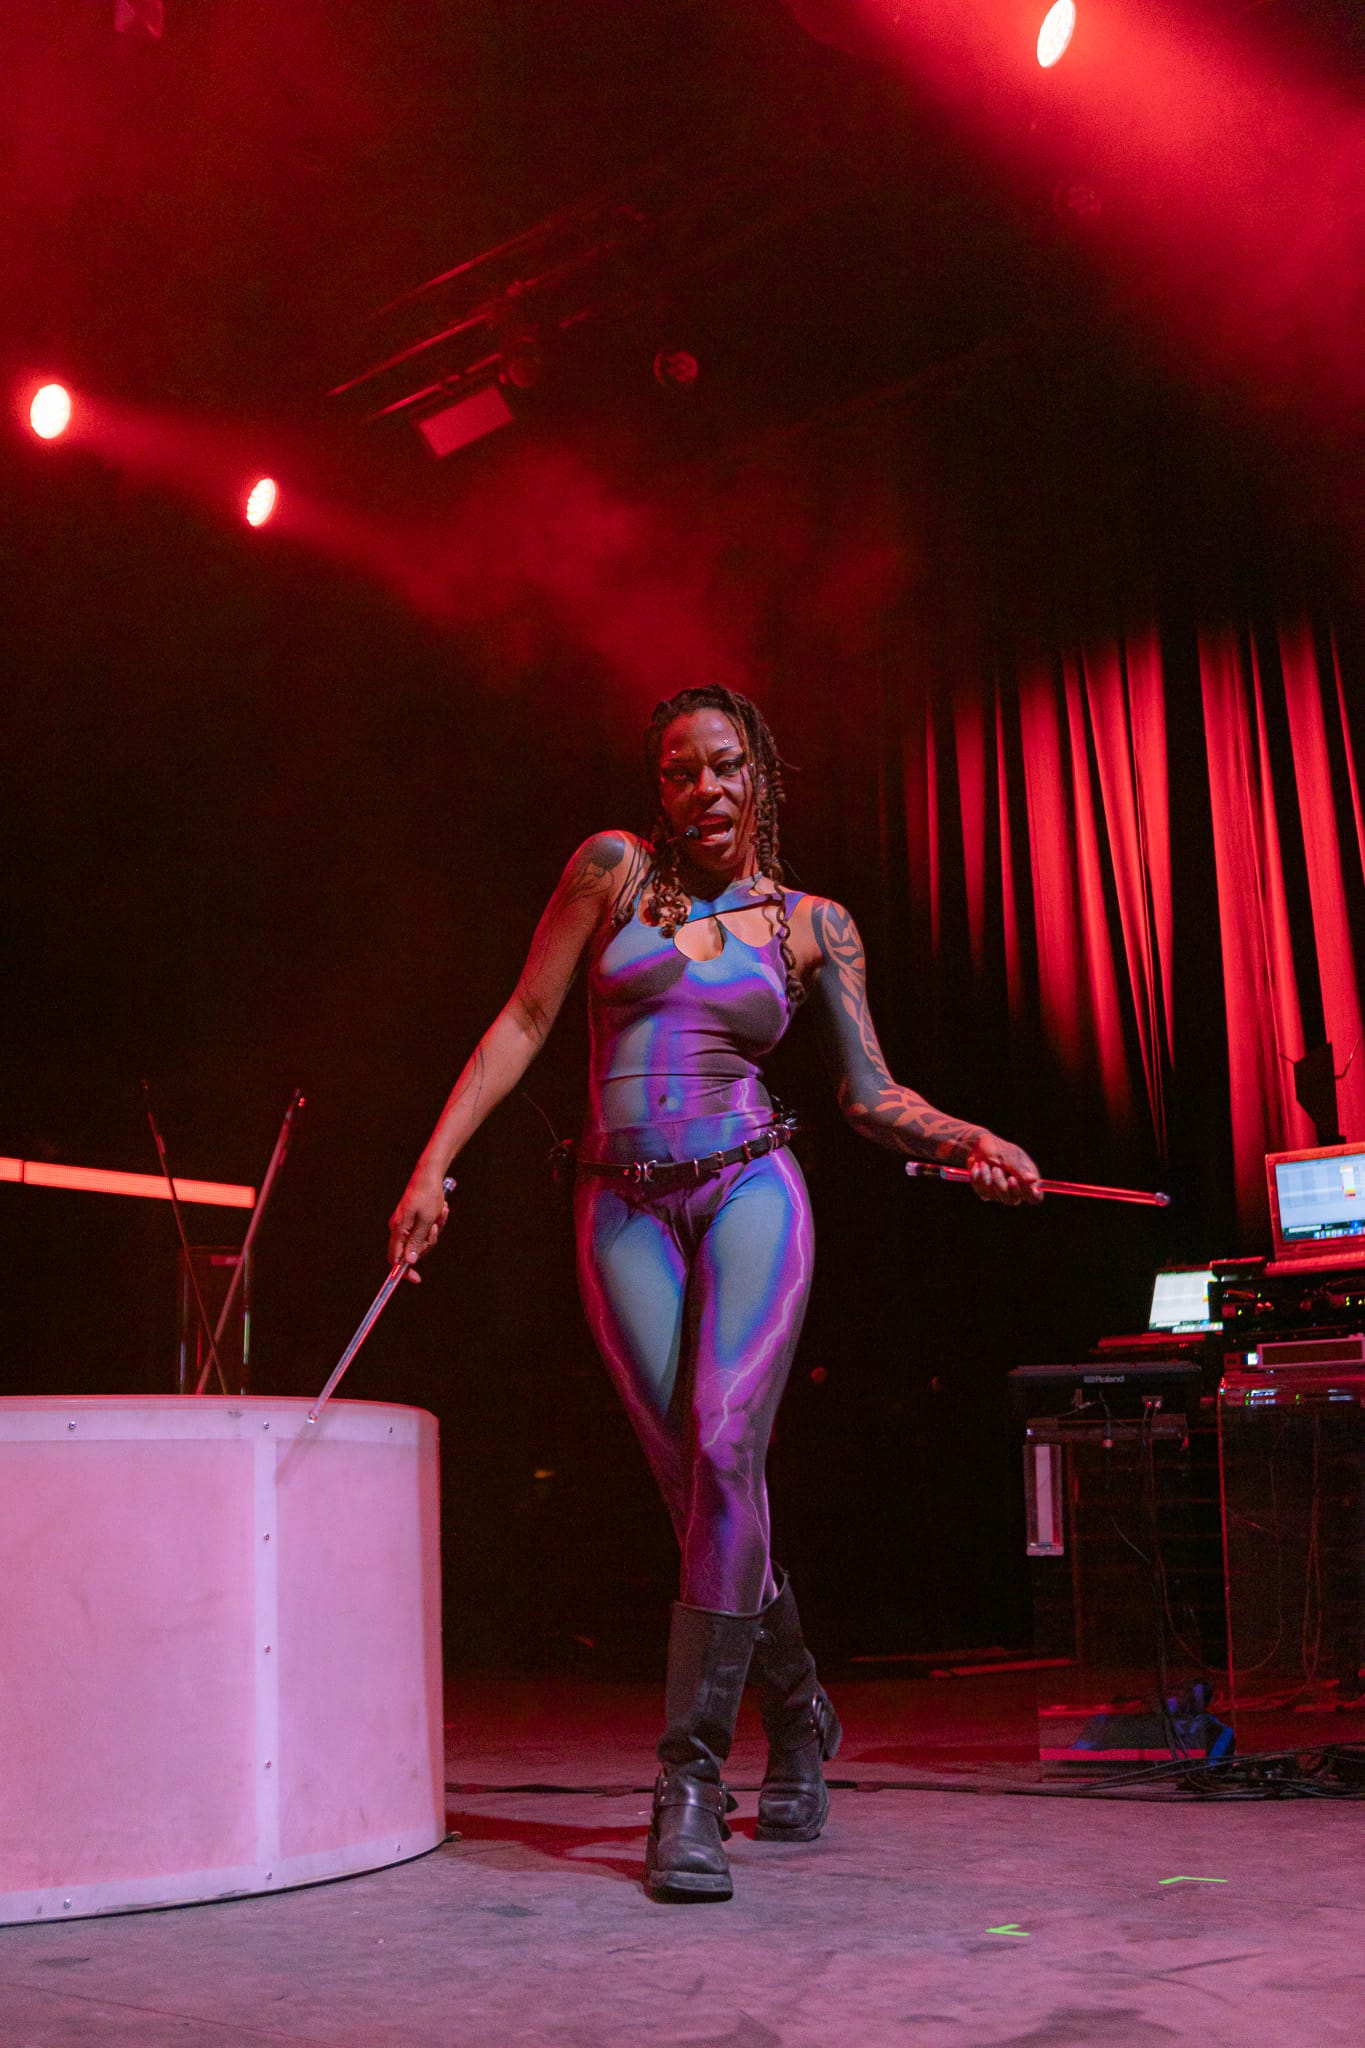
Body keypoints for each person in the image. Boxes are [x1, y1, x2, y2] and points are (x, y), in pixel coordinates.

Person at [388, 685, 1042, 1904]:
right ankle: (797, 1709)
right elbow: (526, 1016)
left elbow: (870, 1094)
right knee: (697, 1486)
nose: (705, 788)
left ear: (761, 775)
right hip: (620, 1201)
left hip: (752, 1188)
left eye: (725, 764)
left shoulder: (812, 925)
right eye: (681, 770)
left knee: (730, 1440)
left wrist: (968, 1139)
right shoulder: (613, 872)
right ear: (661, 789)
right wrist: (432, 1167)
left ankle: (688, 1781)